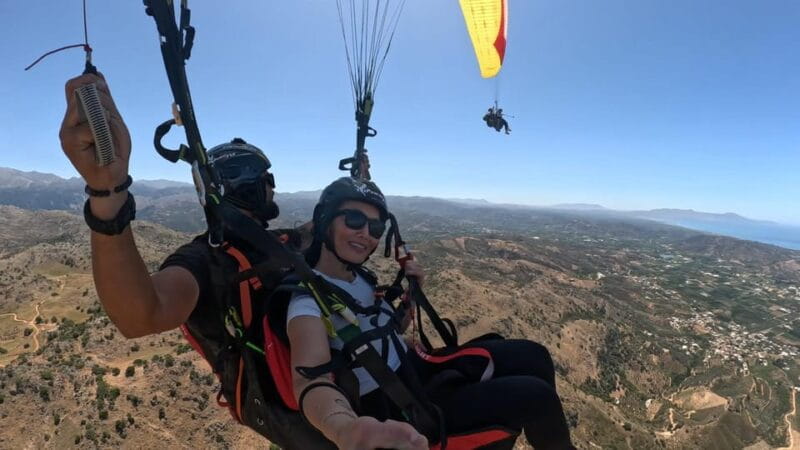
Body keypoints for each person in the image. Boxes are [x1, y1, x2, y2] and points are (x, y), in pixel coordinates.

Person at [289, 177, 574, 449]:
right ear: (325, 220)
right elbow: (310, 379)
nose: (366, 234)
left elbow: (375, 336)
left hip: (414, 370)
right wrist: (343, 428)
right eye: (353, 220)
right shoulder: (307, 302)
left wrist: (412, 297)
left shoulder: (358, 277)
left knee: (534, 355)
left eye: (376, 228)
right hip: (398, 402)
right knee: (537, 397)